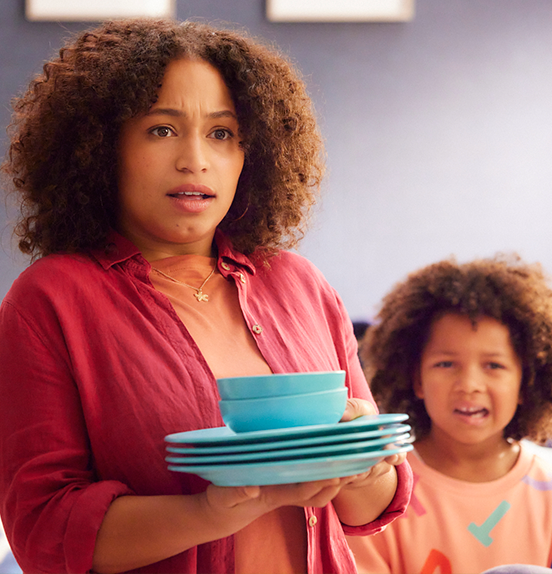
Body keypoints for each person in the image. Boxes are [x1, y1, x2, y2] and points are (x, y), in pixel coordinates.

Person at [0, 18, 412, 574]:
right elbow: (46, 531)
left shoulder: (300, 282)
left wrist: (365, 464)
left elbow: (373, 507)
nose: (195, 158)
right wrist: (212, 511)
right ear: (100, 148)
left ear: (250, 153)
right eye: (161, 130)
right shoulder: (50, 299)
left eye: (221, 133)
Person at [346, 255, 552, 573]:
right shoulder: (378, 487)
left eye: (493, 366)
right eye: (446, 364)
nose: (469, 385)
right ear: (416, 379)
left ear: (527, 383)